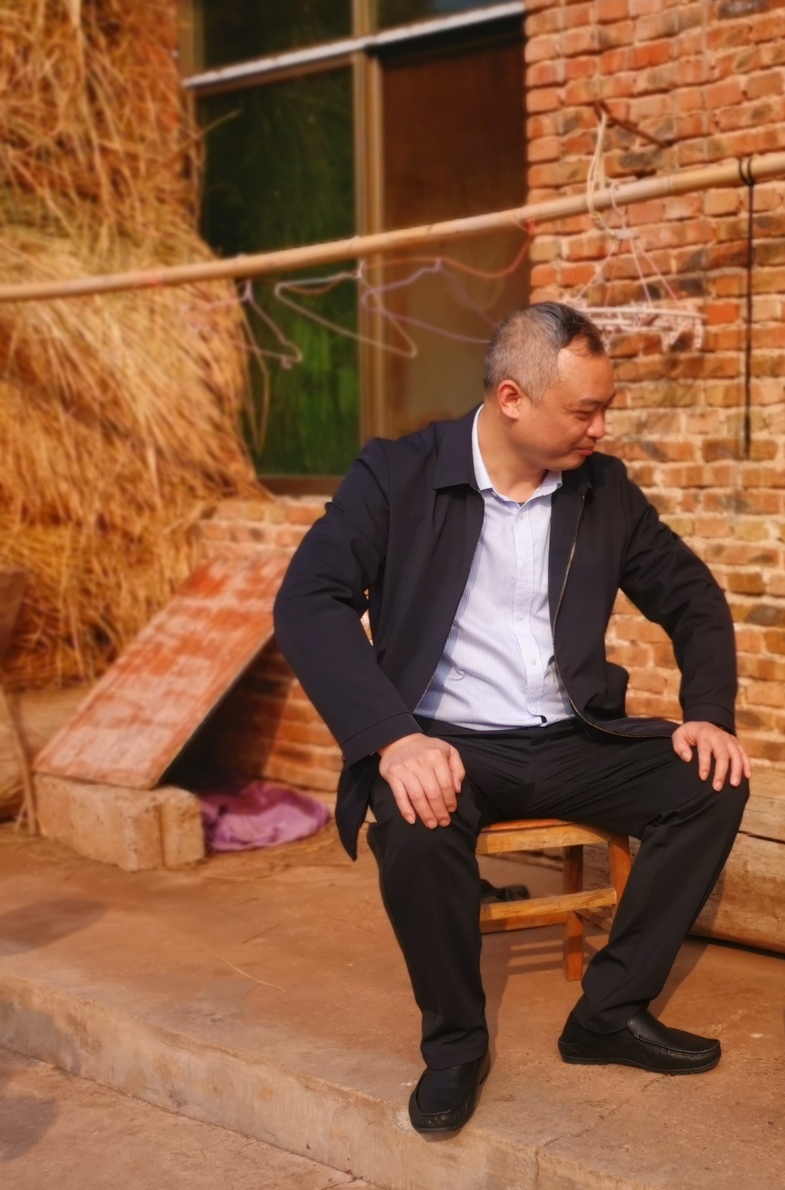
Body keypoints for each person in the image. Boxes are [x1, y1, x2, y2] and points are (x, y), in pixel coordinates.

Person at [273, 304, 752, 1136]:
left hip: (574, 737)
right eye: (585, 411)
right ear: (511, 399)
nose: (601, 429)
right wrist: (393, 739)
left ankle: (609, 1012)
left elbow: (693, 599)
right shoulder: (397, 475)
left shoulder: (602, 489)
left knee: (712, 783)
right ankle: (456, 1046)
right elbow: (308, 602)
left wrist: (708, 713)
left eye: (606, 409)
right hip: (444, 741)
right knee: (416, 822)